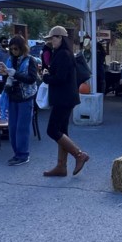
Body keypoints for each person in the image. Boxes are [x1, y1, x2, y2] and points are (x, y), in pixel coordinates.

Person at [40, 26, 90, 177]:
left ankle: (79, 155)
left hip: (63, 98)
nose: (51, 41)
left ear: (61, 38)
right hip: (66, 98)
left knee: (52, 130)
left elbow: (60, 78)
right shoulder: (64, 53)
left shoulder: (63, 54)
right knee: (62, 132)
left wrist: (46, 77)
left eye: (53, 38)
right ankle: (61, 166)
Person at [0, 35, 39, 166]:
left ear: (22, 48)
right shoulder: (10, 60)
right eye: (11, 49)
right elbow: (7, 80)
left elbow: (32, 79)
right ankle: (17, 154)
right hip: (12, 97)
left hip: (25, 98)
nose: (14, 51)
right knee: (13, 128)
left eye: (16, 49)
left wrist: (14, 74)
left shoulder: (30, 60)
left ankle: (23, 155)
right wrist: (6, 75)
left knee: (22, 128)